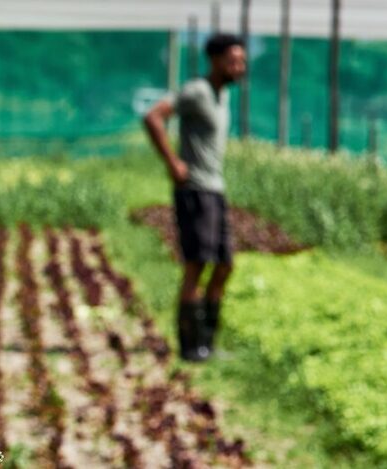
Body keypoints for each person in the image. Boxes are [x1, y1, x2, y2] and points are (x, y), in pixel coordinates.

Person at [141, 33, 249, 362]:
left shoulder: (221, 95)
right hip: (195, 190)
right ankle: (191, 347)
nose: (239, 67)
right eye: (233, 61)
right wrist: (173, 162)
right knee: (196, 265)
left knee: (225, 265)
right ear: (215, 60)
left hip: (214, 188)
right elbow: (153, 117)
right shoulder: (197, 91)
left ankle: (208, 341)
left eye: (242, 61)